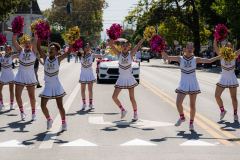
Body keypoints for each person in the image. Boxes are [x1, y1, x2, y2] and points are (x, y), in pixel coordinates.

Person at [162, 42, 220, 131]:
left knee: (192, 105)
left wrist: (221, 56)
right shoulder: (180, 58)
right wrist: (160, 49)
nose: (189, 49)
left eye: (191, 48)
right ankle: (182, 117)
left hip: (193, 83)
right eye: (188, 47)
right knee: (178, 103)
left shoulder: (196, 59)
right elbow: (167, 57)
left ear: (193, 50)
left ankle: (191, 123)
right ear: (185, 49)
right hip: (183, 83)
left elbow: (209, 61)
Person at [36, 37, 70, 131]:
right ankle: (49, 119)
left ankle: (63, 122)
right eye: (50, 48)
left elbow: (68, 53)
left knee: (60, 106)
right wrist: (39, 36)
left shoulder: (58, 59)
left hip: (56, 85)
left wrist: (71, 40)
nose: (51, 49)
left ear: (56, 52)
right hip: (47, 86)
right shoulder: (45, 58)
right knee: (42, 105)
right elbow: (38, 47)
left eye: (53, 48)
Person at [109, 38, 144, 121]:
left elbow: (138, 45)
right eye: (123, 46)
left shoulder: (131, 54)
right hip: (121, 78)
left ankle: (135, 114)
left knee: (132, 98)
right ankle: (123, 110)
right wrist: (111, 39)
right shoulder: (119, 54)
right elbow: (111, 45)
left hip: (129, 78)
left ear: (129, 47)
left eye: (126, 46)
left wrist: (143, 39)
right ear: (121, 47)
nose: (125, 47)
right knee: (114, 97)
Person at [12, 34, 38, 121]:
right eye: (26, 43)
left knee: (32, 96)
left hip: (30, 76)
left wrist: (36, 34)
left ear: (31, 44)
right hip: (20, 75)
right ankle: (22, 112)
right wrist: (15, 34)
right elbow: (14, 41)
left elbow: (35, 41)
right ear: (23, 44)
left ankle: (33, 113)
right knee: (17, 95)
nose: (27, 44)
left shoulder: (33, 51)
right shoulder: (21, 51)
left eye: (29, 43)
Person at [213, 39, 240, 122]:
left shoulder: (234, 55)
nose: (229, 48)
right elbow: (215, 47)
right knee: (217, 95)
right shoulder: (221, 55)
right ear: (225, 48)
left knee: (233, 97)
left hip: (232, 77)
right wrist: (216, 37)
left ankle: (235, 114)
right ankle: (222, 110)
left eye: (230, 47)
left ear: (232, 48)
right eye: (227, 46)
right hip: (223, 78)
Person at [79, 43, 106, 111]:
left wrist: (109, 51)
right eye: (86, 47)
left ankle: (90, 104)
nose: (87, 48)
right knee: (82, 90)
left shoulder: (92, 55)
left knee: (90, 90)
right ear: (84, 48)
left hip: (90, 74)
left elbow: (102, 56)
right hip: (83, 74)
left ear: (90, 48)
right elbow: (72, 52)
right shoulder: (80, 54)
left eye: (88, 47)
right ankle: (84, 104)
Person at [0, 45, 17, 110]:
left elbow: (20, 53)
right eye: (6, 49)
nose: (7, 50)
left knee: (11, 90)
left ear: (10, 50)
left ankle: (11, 105)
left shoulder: (12, 56)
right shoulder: (1, 56)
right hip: (3, 75)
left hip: (10, 75)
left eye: (8, 49)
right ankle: (1, 104)